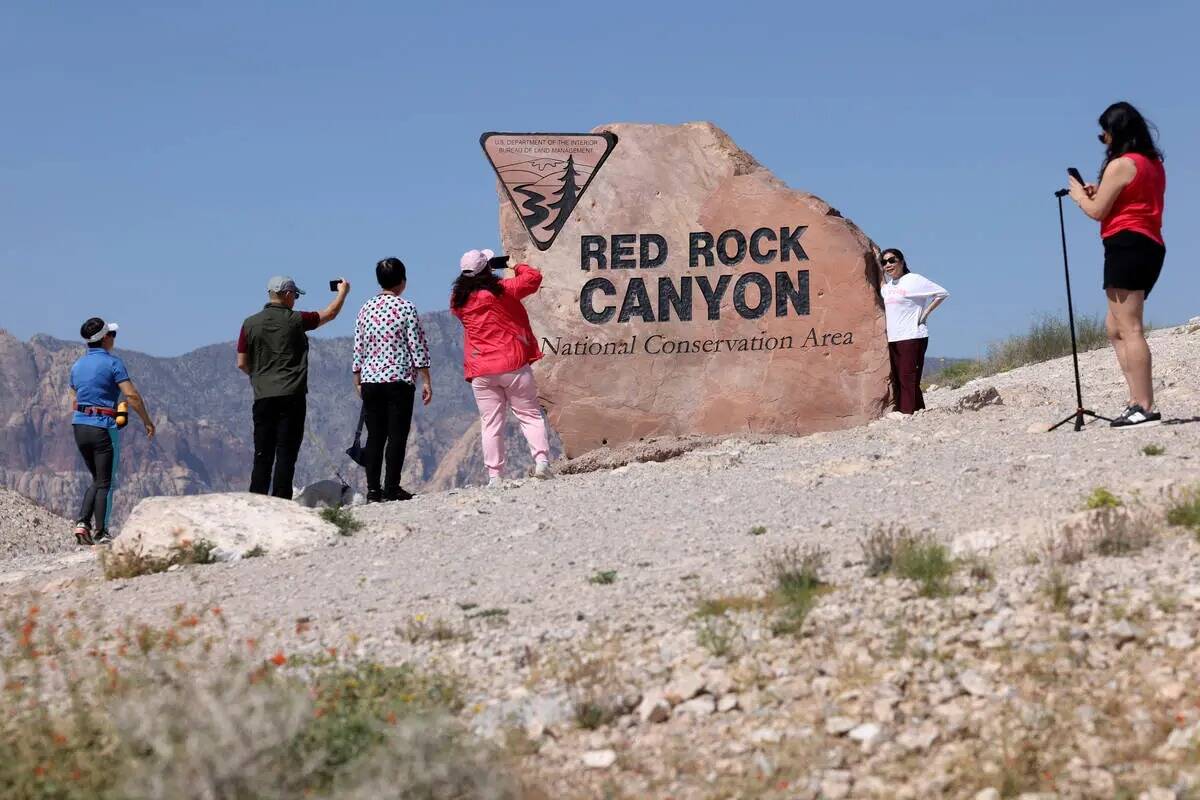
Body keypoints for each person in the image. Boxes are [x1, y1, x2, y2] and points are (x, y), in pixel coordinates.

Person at [1068, 101, 1166, 428]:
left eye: (1104, 134)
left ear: (1116, 132)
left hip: (1127, 244)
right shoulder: (1151, 163)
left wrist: (1079, 195)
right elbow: (1129, 199)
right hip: (1148, 244)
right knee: (1115, 327)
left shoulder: (1120, 165)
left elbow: (1096, 211)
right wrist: (1100, 193)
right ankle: (1135, 400)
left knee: (1130, 327)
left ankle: (1145, 405)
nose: (1104, 140)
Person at [237, 275, 349, 498]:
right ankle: (281, 499)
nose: (296, 300)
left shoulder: (249, 324)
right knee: (286, 452)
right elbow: (330, 314)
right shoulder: (296, 320)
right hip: (292, 397)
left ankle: (255, 499)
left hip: (263, 397)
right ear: (287, 294)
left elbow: (241, 362)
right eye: (295, 295)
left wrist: (259, 376)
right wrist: (343, 292)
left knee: (262, 452)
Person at [451, 249, 551, 486]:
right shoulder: (504, 290)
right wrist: (515, 265)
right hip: (512, 363)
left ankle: (495, 476)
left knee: (491, 423)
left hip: (481, 369)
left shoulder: (458, 300)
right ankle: (542, 462)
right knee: (529, 415)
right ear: (487, 268)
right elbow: (534, 278)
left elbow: (470, 295)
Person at [68, 318, 155, 545]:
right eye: (112, 335)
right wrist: (146, 420)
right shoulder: (113, 364)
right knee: (105, 481)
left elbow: (74, 399)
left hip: (79, 426)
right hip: (102, 428)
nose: (114, 338)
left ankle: (82, 524)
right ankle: (101, 532)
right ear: (105, 338)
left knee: (97, 479)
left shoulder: (76, 367)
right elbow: (132, 396)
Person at [352, 257, 433, 503]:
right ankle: (392, 487)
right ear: (403, 281)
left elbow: (359, 346)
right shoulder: (406, 308)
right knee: (397, 435)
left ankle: (373, 490)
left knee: (375, 435)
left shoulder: (365, 308)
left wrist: (358, 377)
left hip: (371, 380)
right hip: (399, 379)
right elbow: (417, 345)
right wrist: (426, 379)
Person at [879, 248, 949, 414]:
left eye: (892, 260)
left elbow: (942, 293)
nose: (888, 265)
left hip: (912, 336)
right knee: (899, 378)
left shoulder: (914, 280)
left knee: (908, 377)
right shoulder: (888, 287)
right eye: (884, 262)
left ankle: (907, 413)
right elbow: (880, 284)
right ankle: (918, 411)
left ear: (902, 262)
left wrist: (925, 313)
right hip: (894, 338)